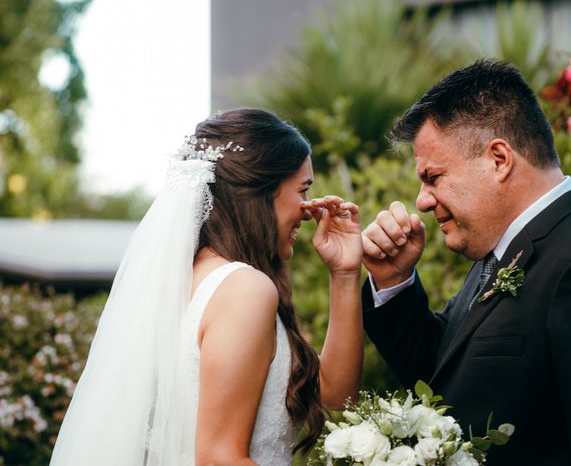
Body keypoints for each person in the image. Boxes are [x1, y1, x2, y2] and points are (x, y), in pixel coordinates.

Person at [361, 60, 571, 465]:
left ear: (498, 159)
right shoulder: (505, 248)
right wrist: (394, 282)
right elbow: (447, 373)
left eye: (433, 177)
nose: (422, 200)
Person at [50, 108, 364, 465]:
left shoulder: (184, 284)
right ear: (263, 189)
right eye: (302, 190)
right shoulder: (245, 289)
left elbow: (337, 395)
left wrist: (345, 274)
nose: (309, 209)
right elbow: (218, 458)